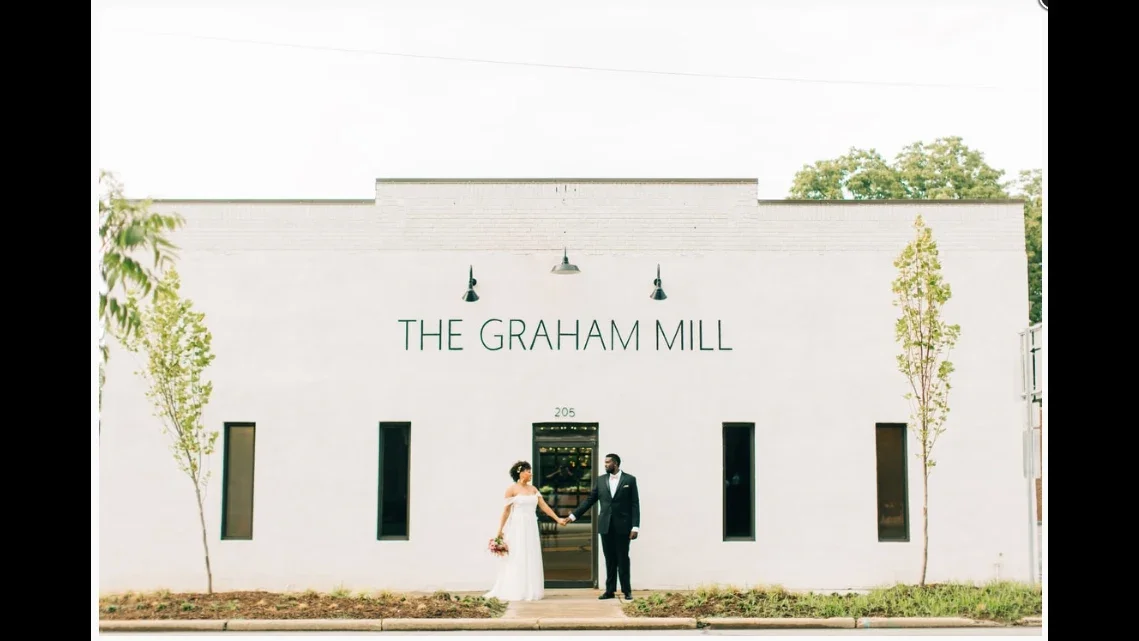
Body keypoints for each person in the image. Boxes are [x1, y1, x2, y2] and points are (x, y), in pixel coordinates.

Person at [484, 460, 567, 601]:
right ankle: (516, 588)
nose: (531, 473)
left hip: (531, 526)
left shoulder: (533, 489)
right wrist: (500, 530)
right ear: (520, 472)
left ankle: (531, 589)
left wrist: (558, 519)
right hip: (517, 526)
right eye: (528, 471)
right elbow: (506, 511)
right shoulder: (511, 489)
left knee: (531, 554)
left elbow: (544, 506)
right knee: (518, 554)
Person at [563, 453, 640, 600]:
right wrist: (573, 516)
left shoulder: (630, 480)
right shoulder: (600, 480)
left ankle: (626, 590)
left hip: (623, 527)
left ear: (615, 464)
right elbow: (589, 501)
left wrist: (635, 527)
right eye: (604, 463)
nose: (605, 465)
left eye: (607, 463)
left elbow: (634, 505)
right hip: (605, 526)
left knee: (623, 559)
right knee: (609, 559)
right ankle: (609, 590)